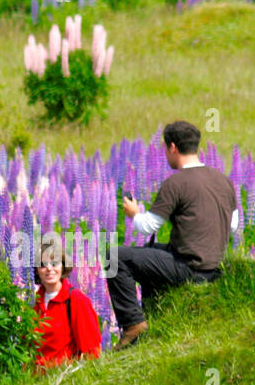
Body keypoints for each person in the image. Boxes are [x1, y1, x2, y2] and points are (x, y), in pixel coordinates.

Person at [108, 120, 239, 350]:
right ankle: (154, 317)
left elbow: (147, 226)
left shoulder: (177, 182)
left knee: (114, 257)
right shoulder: (223, 180)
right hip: (214, 267)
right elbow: (234, 225)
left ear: (173, 148)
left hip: (188, 267)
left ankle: (132, 325)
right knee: (151, 251)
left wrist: (134, 213)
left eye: (165, 149)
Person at [32, 236, 102, 370]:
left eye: (54, 263)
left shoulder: (75, 299)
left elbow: (91, 350)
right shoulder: (34, 302)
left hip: (63, 377)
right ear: (36, 270)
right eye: (42, 264)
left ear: (63, 266)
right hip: (33, 381)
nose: (49, 269)